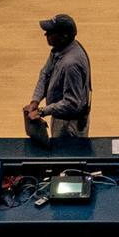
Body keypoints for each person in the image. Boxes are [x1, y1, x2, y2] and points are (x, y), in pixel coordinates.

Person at [24, 13, 92, 141]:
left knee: (68, 158)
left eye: (51, 32)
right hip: (60, 117)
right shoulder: (59, 49)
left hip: (70, 126)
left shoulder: (71, 65)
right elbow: (45, 73)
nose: (46, 35)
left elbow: (71, 103)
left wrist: (42, 111)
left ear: (63, 36)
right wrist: (35, 101)